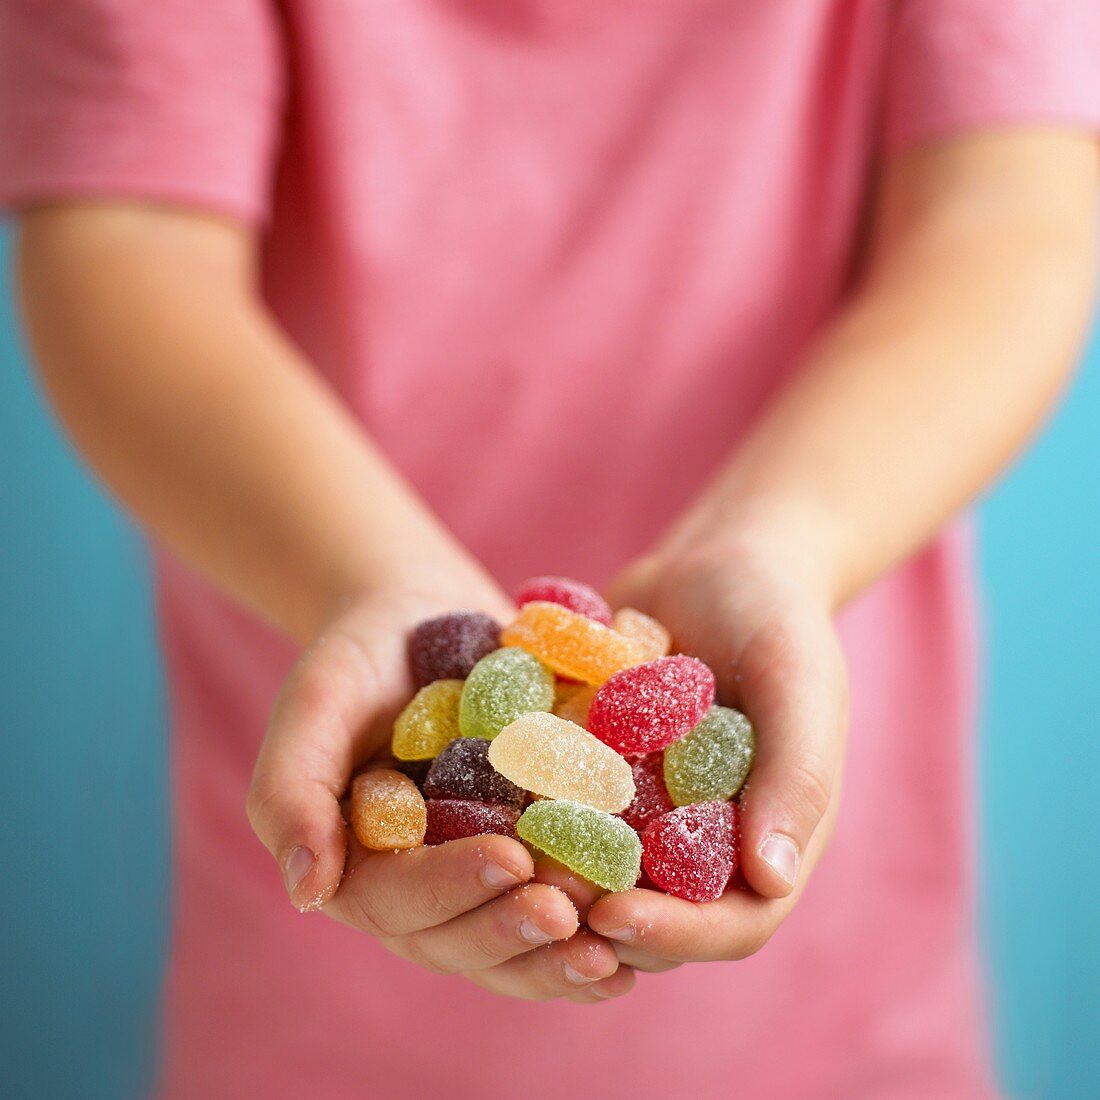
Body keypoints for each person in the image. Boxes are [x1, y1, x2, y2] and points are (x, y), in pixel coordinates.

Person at [2, 1, 1097, 1096]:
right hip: (331, 935)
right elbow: (126, 241)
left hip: (833, 963)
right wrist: (368, 579)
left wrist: (775, 544)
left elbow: (1010, 216)